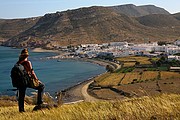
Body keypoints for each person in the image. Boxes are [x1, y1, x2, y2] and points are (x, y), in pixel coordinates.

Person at [17, 48, 45, 112]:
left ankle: (21, 110)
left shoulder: (18, 63)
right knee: (41, 86)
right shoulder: (27, 62)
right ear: (27, 56)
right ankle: (39, 103)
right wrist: (36, 80)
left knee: (21, 96)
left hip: (20, 82)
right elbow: (32, 73)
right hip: (27, 80)